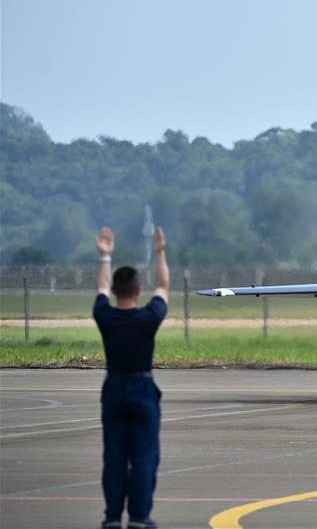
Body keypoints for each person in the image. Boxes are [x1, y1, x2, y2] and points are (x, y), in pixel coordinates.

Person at [94, 226, 169, 529]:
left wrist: (105, 256)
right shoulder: (149, 318)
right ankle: (139, 517)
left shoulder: (104, 316)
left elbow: (100, 289)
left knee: (114, 459)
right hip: (141, 389)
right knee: (143, 458)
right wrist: (160, 252)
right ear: (138, 290)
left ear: (115, 290)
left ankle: (112, 518)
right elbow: (163, 287)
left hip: (114, 388)